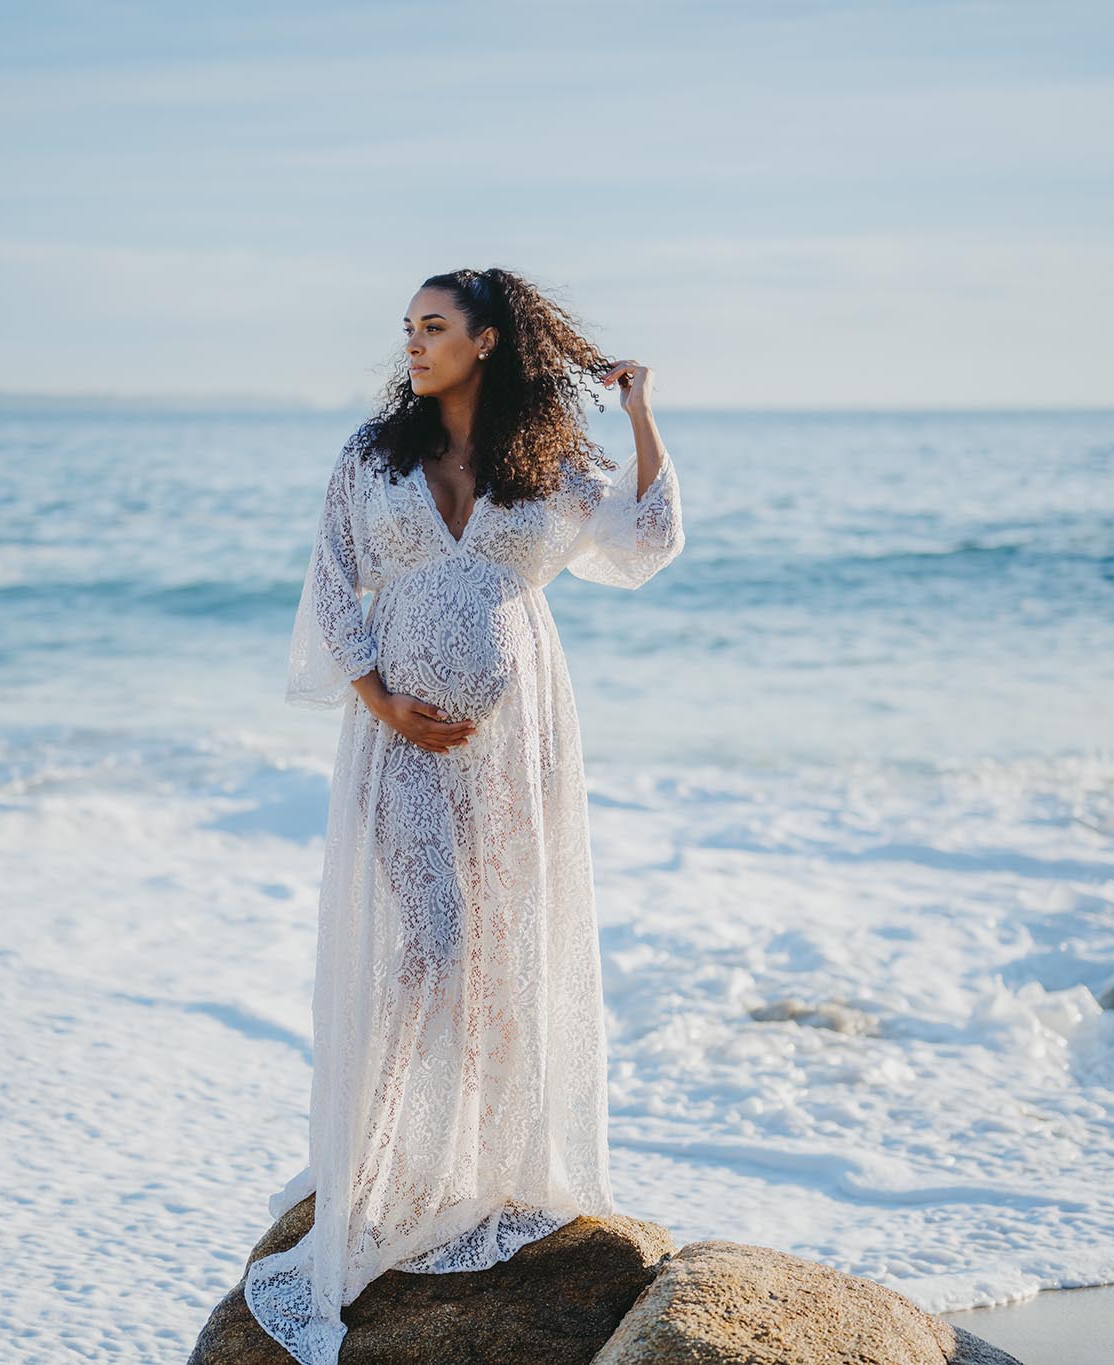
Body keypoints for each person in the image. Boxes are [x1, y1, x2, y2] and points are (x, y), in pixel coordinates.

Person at [245, 266, 685, 1364]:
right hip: (395, 743)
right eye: (407, 327)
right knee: (432, 944)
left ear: (486, 341)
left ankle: (490, 1162)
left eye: (433, 326)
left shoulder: (549, 462)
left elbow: (646, 541)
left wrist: (639, 412)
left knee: (500, 946)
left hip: (515, 745)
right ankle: (377, 1158)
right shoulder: (373, 455)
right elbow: (330, 582)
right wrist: (381, 701)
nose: (413, 343)